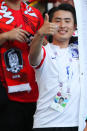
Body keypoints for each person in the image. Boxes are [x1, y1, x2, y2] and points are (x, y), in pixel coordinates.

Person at [29, 4, 79, 131]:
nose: (62, 25)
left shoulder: (82, 53)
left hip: (76, 123)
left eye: (67, 21)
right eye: (57, 20)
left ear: (74, 27)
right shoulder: (45, 51)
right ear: (49, 25)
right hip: (46, 124)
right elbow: (33, 57)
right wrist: (40, 34)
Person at [0, 0, 43, 130]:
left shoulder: (34, 13)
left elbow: (45, 46)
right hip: (4, 88)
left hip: (33, 87)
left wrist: (38, 40)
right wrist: (6, 36)